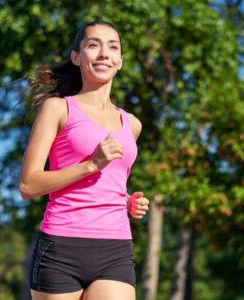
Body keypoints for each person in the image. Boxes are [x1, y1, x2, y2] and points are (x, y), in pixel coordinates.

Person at [19, 21, 150, 300]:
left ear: (120, 61)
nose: (104, 53)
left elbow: (103, 182)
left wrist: (125, 200)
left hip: (115, 248)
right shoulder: (58, 109)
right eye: (93, 45)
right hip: (61, 247)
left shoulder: (132, 125)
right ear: (77, 57)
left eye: (113, 47)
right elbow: (28, 185)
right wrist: (91, 164)